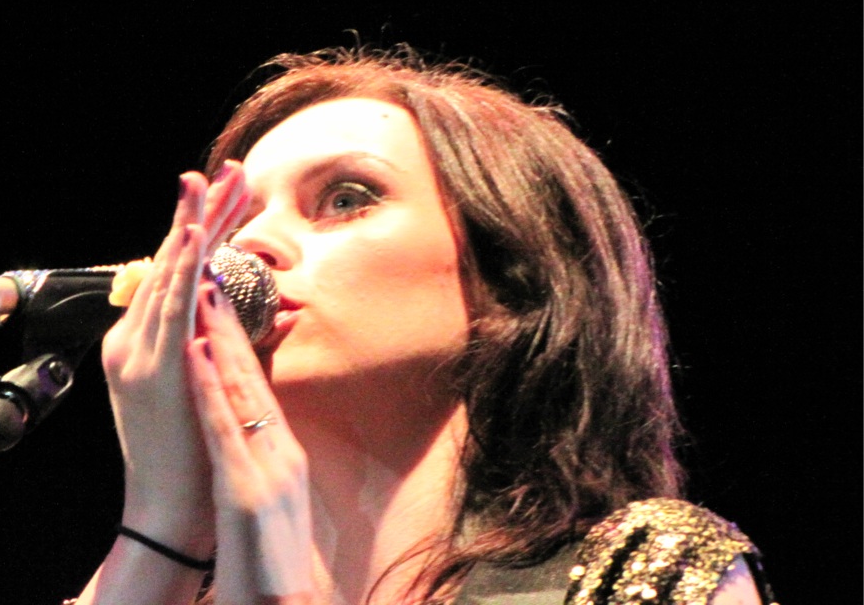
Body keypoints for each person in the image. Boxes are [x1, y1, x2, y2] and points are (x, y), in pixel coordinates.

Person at [72, 46, 774, 604]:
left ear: (508, 278)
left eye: (345, 198)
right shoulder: (156, 582)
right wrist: (162, 528)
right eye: (238, 220)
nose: (249, 246)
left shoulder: (639, 573)